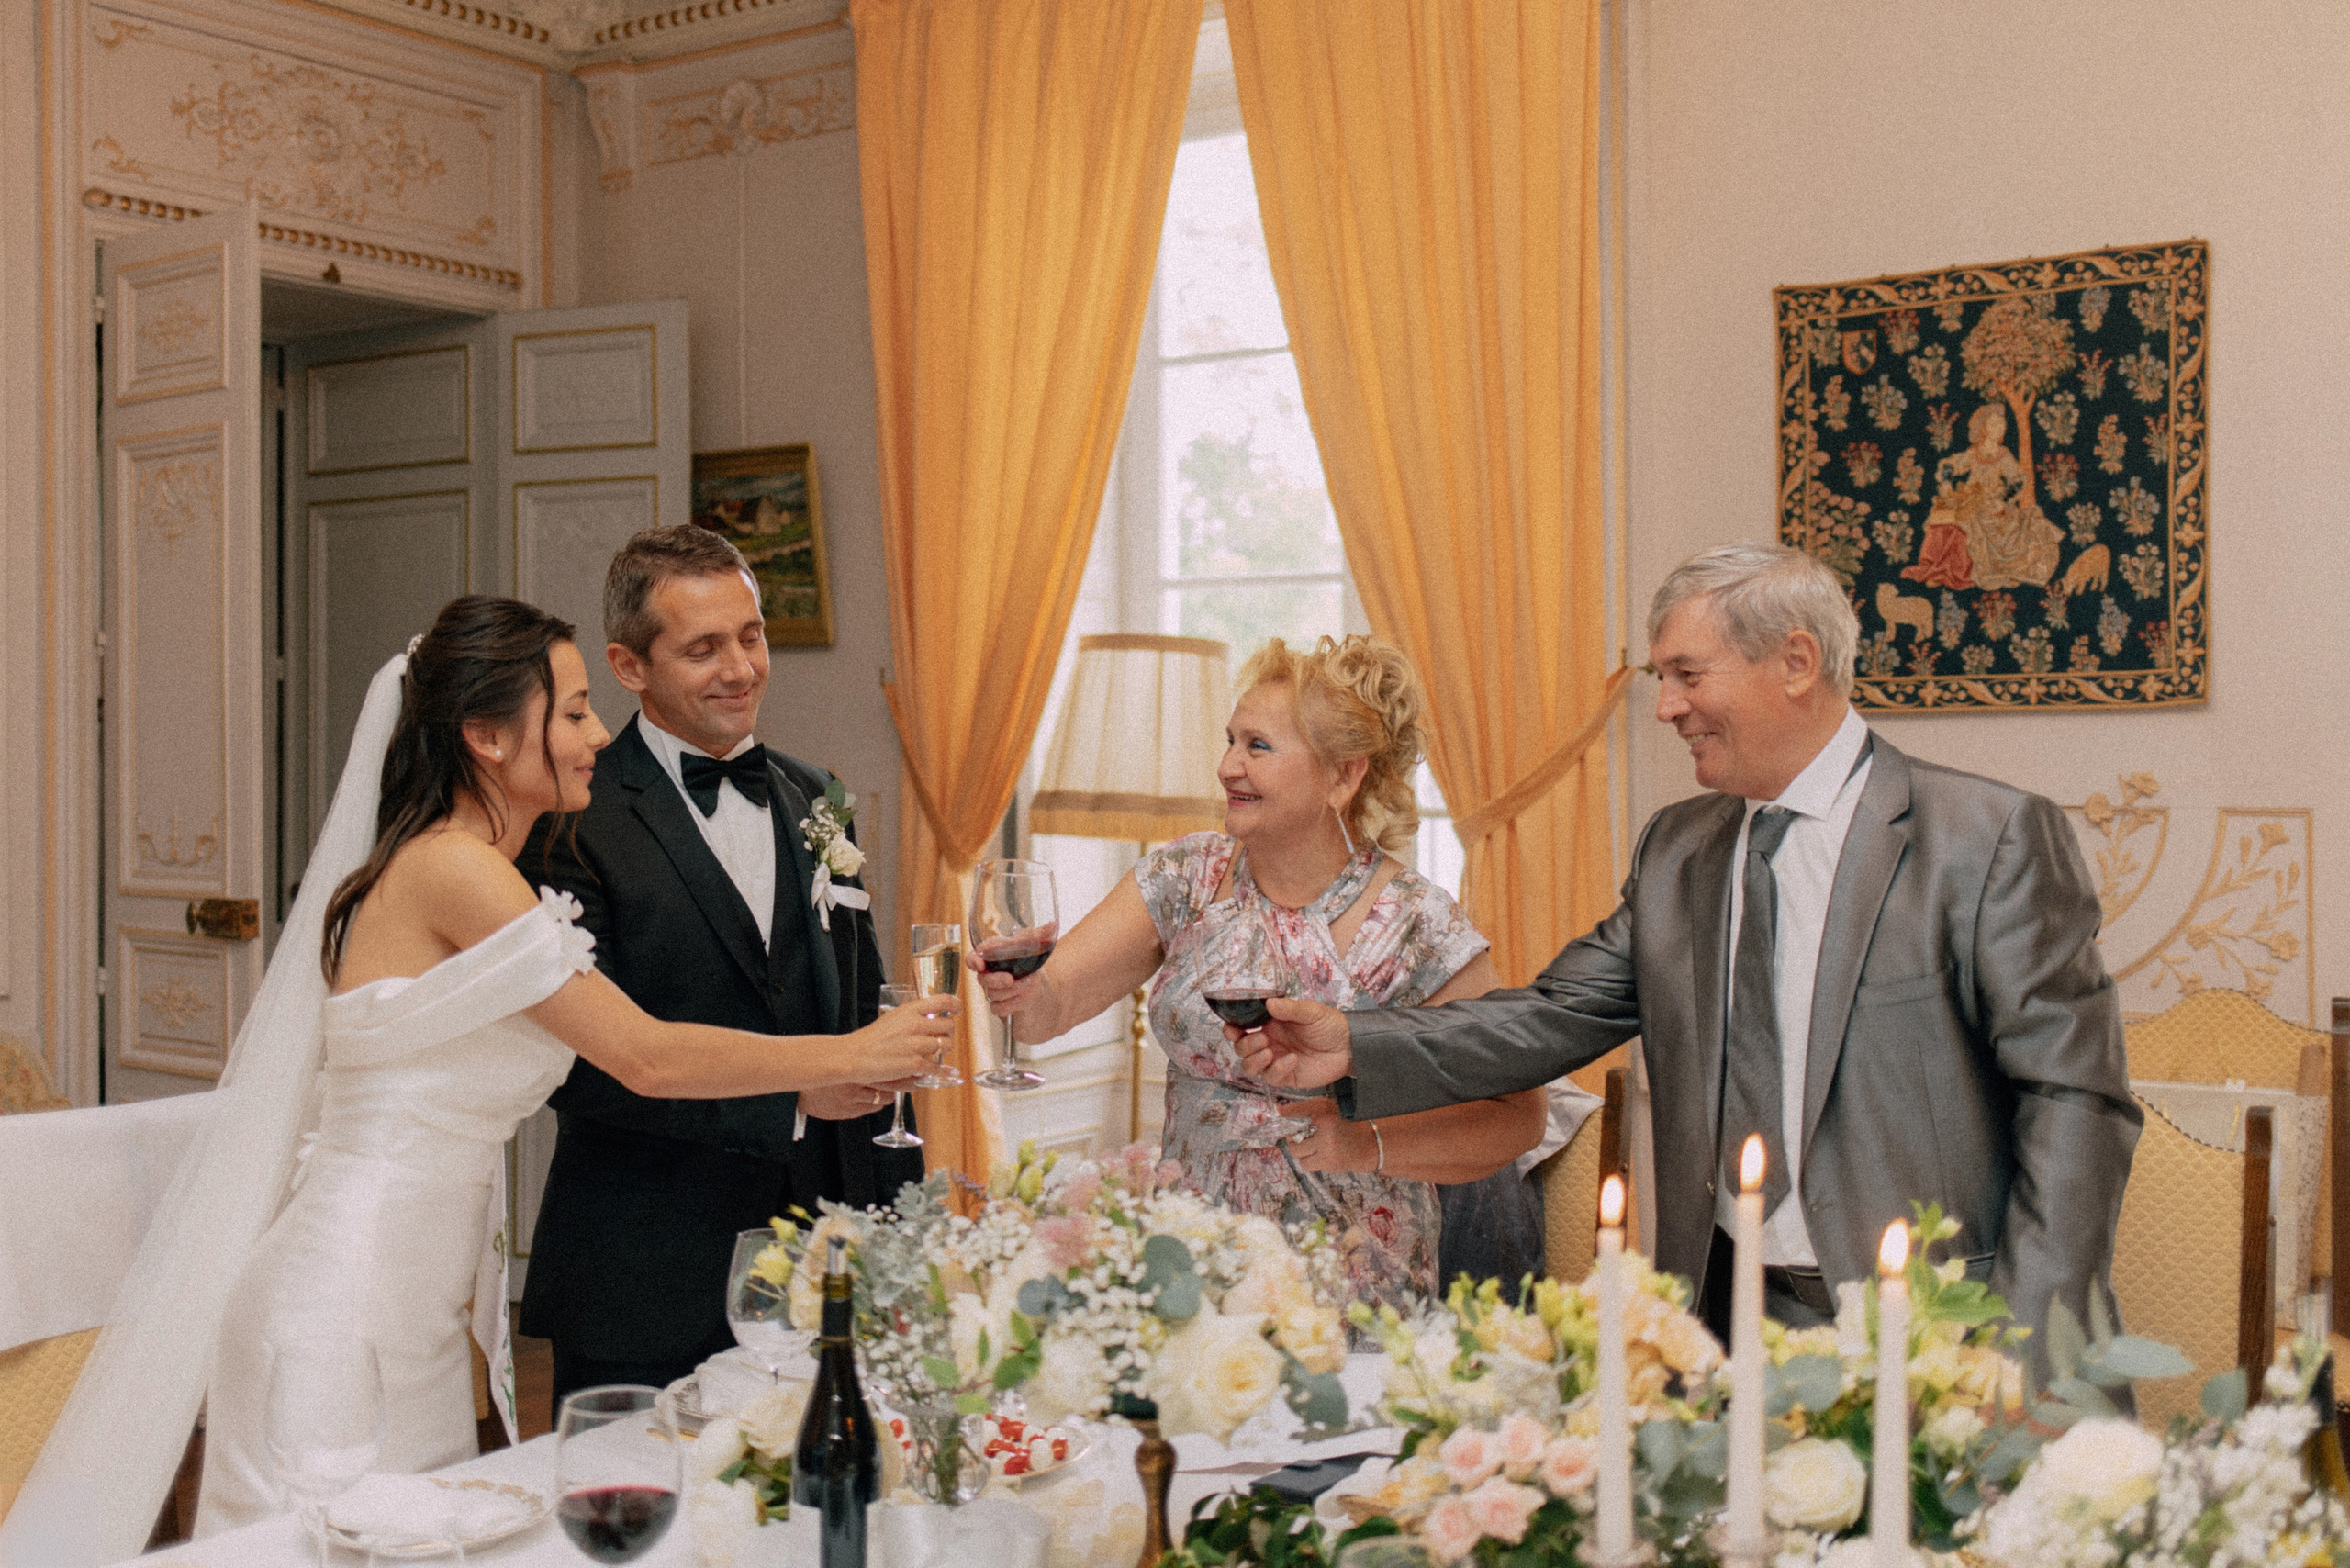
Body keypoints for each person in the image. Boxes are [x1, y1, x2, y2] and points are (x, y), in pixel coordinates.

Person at [0, 596, 952, 1559]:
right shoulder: (452, 870)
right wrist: (841, 1053)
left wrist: (808, 1088)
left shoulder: (487, 868)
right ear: (488, 736)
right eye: (574, 711)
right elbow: (641, 1052)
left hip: (416, 1313)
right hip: (340, 1309)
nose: (593, 735)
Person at [1239, 543, 2138, 1352]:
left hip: (1944, 1331)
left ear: (1795, 662)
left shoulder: (1986, 837)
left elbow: (2075, 1105)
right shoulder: (1680, 849)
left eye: (1685, 674)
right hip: (1725, 1334)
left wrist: (2027, 1343)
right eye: (1657, 676)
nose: (1666, 707)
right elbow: (1552, 1015)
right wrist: (1358, 1043)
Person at [974, 635, 1549, 1312]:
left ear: (1343, 776)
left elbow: (1518, 1117)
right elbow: (1051, 1008)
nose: (1226, 766)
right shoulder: (1188, 877)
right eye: (1230, 741)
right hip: (1187, 1268)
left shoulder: (1419, 924)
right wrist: (1020, 987)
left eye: (1258, 746)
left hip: (1349, 1282)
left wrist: (1363, 1144)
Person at [518, 525, 923, 1414]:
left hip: (826, 1254)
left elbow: (856, 1017)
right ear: (629, 665)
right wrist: (791, 1095)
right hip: (647, 1261)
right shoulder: (566, 820)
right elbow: (579, 1067)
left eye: (751, 635)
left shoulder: (818, 794)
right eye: (703, 648)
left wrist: (899, 1232)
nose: (740, 667)